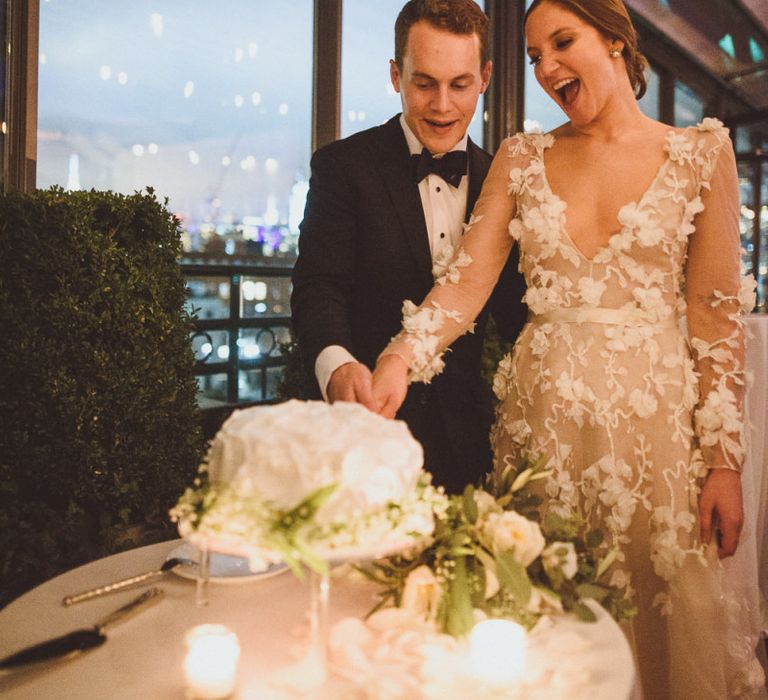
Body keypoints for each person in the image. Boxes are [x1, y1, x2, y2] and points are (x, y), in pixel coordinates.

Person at [371, 0, 767, 697]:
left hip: (661, 447)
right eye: (533, 57)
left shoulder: (700, 154)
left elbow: (715, 318)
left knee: (662, 629)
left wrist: (725, 464)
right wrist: (402, 357)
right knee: (549, 633)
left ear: (614, 38)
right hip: (543, 435)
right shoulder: (523, 159)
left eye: (561, 42)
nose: (548, 67)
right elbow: (466, 283)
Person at [291, 0, 527, 494]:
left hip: (468, 442)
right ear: (396, 75)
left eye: (460, 85)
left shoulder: (503, 183)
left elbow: (516, 316)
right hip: (360, 434)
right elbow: (319, 288)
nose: (442, 105)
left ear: (485, 77)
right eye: (424, 83)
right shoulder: (343, 166)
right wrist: (337, 367)